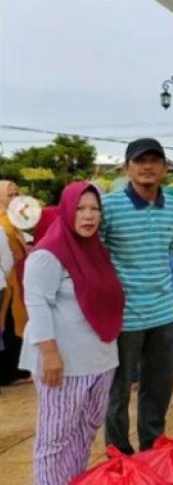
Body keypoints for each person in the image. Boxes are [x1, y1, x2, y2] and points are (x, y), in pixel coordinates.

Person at [19, 181, 125, 485]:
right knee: (55, 438)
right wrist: (49, 355)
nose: (88, 215)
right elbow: (36, 304)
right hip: (64, 363)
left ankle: (74, 481)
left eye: (94, 209)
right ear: (66, 211)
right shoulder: (47, 255)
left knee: (86, 431)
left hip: (100, 358)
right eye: (80, 208)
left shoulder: (96, 251)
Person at [103, 138, 173, 454]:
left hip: (163, 312)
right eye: (139, 161)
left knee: (159, 385)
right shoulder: (110, 206)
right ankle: (118, 450)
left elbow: (172, 252)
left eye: (154, 160)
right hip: (124, 316)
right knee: (119, 387)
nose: (147, 167)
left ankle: (152, 445)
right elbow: (97, 254)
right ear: (127, 167)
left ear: (164, 168)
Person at [0, 180, 29, 386]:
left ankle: (14, 369)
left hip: (15, 279)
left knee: (14, 321)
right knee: (8, 322)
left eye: (16, 194)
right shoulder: (3, 223)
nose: (14, 198)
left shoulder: (12, 220)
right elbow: (8, 258)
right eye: (9, 195)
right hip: (6, 280)